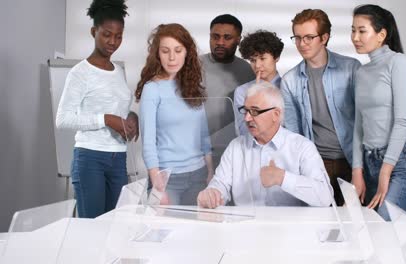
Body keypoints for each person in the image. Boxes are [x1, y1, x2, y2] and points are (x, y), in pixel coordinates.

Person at [56, 0, 137, 218]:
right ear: (94, 31)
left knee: (116, 224)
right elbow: (63, 119)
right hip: (90, 157)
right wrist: (107, 119)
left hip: (118, 158)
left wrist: (132, 116)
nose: (113, 41)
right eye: (107, 34)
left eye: (118, 36)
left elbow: (120, 108)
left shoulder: (117, 71)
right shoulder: (80, 73)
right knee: (91, 229)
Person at [197, 82, 333, 209]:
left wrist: (283, 178)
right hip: (245, 228)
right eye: (245, 110)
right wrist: (212, 193)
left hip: (288, 230)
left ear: (276, 114)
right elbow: (220, 184)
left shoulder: (302, 147)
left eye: (255, 111)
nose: (247, 118)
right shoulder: (236, 147)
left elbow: (325, 197)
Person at [281, 9, 361, 206]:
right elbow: (293, 133)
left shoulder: (351, 68)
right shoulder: (290, 80)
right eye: (297, 38)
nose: (302, 44)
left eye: (309, 37)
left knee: (359, 222)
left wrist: (360, 168)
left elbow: (363, 121)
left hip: (353, 160)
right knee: (318, 226)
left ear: (324, 37)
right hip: (317, 164)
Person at [350, 4, 406, 220]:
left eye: (362, 31)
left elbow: (403, 121)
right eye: (353, 30)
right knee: (372, 234)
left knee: (384, 229)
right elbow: (358, 125)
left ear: (381, 34)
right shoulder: (362, 72)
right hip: (369, 163)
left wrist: (385, 171)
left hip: (400, 163)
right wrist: (357, 171)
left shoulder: (398, 63)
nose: (355, 37)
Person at [136, 23, 213, 205]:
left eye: (178, 50)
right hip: (167, 178)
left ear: (187, 52)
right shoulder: (152, 89)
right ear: (157, 54)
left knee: (196, 232)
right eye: (165, 51)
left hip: (199, 175)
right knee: (166, 232)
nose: (172, 58)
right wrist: (157, 185)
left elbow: (203, 135)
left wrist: (211, 173)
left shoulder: (192, 85)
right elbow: (148, 142)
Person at [200, 14, 256, 164]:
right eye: (215, 37)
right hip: (198, 152)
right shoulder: (193, 66)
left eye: (227, 37)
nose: (220, 42)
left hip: (236, 153)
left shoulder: (250, 70)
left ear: (238, 39)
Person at [234, 30, 284, 136]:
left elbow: (290, 127)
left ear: (276, 57)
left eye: (262, 58)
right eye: (252, 60)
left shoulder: (288, 88)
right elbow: (244, 132)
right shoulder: (242, 91)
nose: (257, 65)